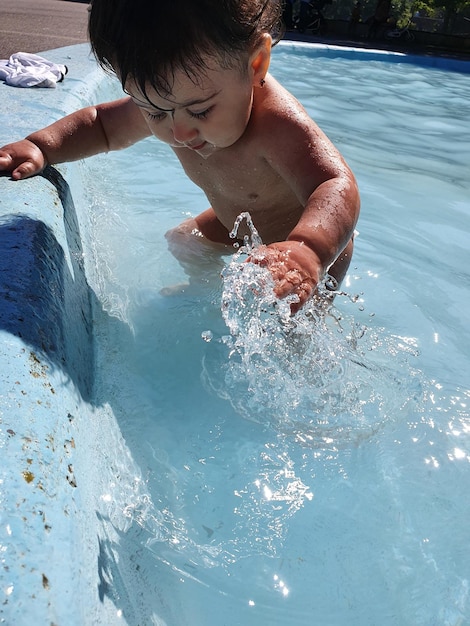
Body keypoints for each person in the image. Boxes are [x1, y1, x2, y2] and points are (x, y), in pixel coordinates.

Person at [0, 0, 360, 314]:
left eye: (201, 112)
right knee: (184, 240)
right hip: (238, 224)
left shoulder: (277, 126)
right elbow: (102, 126)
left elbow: (333, 183)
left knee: (289, 326)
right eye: (155, 113)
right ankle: (202, 292)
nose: (179, 133)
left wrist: (309, 249)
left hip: (305, 247)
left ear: (256, 64)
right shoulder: (175, 100)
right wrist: (42, 146)